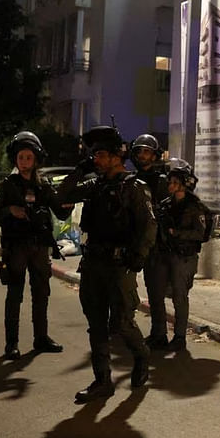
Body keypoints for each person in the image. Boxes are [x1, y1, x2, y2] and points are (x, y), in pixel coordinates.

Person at [57, 125, 155, 403]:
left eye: (100, 154)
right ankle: (102, 381)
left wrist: (137, 260)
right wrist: (81, 166)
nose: (96, 160)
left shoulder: (134, 187)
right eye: (94, 155)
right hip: (93, 264)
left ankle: (142, 356)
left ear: (116, 156)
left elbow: (149, 226)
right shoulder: (95, 185)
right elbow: (62, 196)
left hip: (119, 265)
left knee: (122, 323)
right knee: (96, 324)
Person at [0, 131, 73, 360]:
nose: (24, 162)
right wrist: (10, 211)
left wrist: (70, 202)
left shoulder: (43, 186)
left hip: (40, 247)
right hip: (16, 247)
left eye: (28, 157)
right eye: (21, 157)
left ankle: (41, 338)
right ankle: (11, 343)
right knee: (15, 294)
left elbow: (61, 212)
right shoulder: (8, 185)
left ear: (36, 159)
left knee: (42, 293)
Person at [129, 134, 172, 350]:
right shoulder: (130, 180)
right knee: (125, 288)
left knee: (155, 292)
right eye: (139, 151)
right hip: (134, 241)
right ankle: (123, 327)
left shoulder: (163, 181)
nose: (143, 156)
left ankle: (159, 333)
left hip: (156, 244)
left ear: (154, 155)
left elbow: (167, 210)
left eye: (147, 151)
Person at [159, 161, 205, 353]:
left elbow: (200, 233)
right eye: (170, 180)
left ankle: (179, 337)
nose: (170, 184)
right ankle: (159, 334)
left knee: (180, 297)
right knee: (160, 293)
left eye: (175, 181)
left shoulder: (195, 206)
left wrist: (176, 233)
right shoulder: (166, 205)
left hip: (184, 257)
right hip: (167, 255)